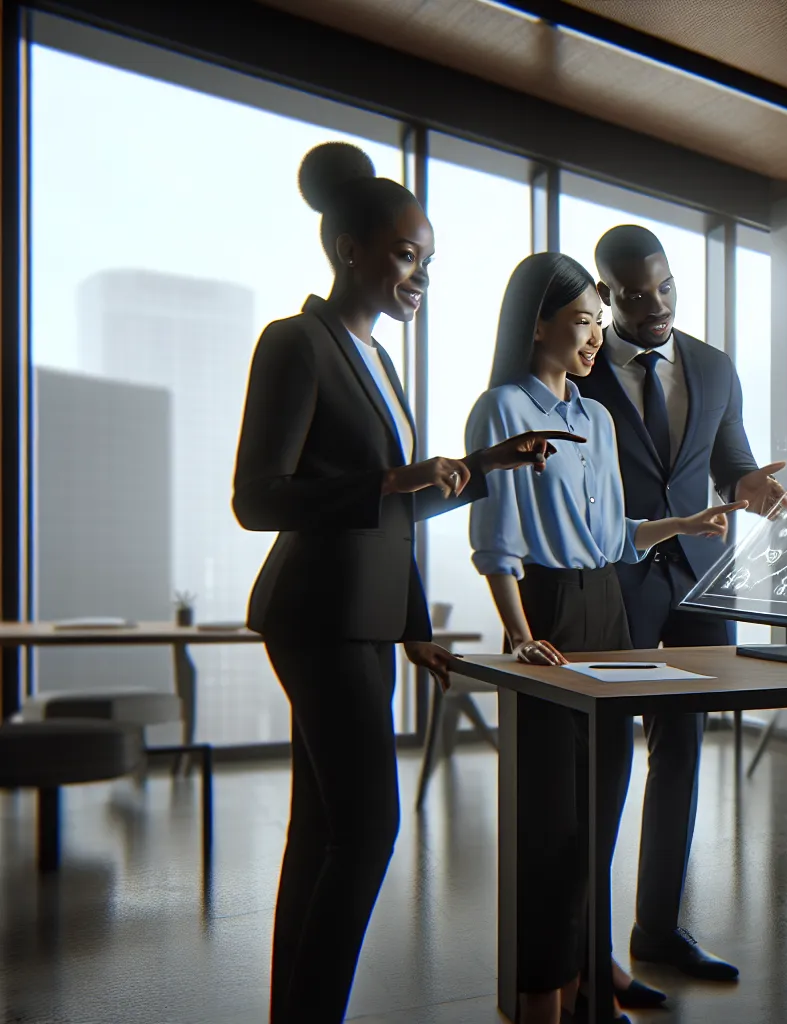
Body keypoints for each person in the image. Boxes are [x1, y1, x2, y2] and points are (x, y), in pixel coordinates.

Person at [233, 142, 579, 1024]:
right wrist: (392, 481)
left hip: (368, 618)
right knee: (369, 828)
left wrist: (479, 468)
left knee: (322, 830)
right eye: (406, 254)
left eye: (428, 261)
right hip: (317, 615)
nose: (421, 275)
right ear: (350, 250)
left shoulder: (380, 363)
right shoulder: (297, 343)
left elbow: (392, 506)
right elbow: (257, 498)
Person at [466, 252, 745, 1024]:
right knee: (550, 832)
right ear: (538, 326)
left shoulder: (592, 415)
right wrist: (519, 636)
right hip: (550, 617)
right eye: (584, 321)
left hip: (609, 617)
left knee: (596, 818)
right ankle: (542, 1000)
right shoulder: (502, 411)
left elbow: (615, 534)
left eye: (598, 321)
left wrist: (685, 524)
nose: (596, 336)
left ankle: (589, 981)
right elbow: (498, 540)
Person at [570, 225, 787, 981]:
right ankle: (584, 951)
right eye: (634, 294)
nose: (655, 304)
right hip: (615, 577)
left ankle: (658, 931)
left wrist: (755, 490)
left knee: (684, 753)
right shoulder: (584, 368)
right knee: (604, 762)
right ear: (606, 295)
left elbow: (732, 466)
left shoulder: (715, 366)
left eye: (664, 287)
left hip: (700, 578)